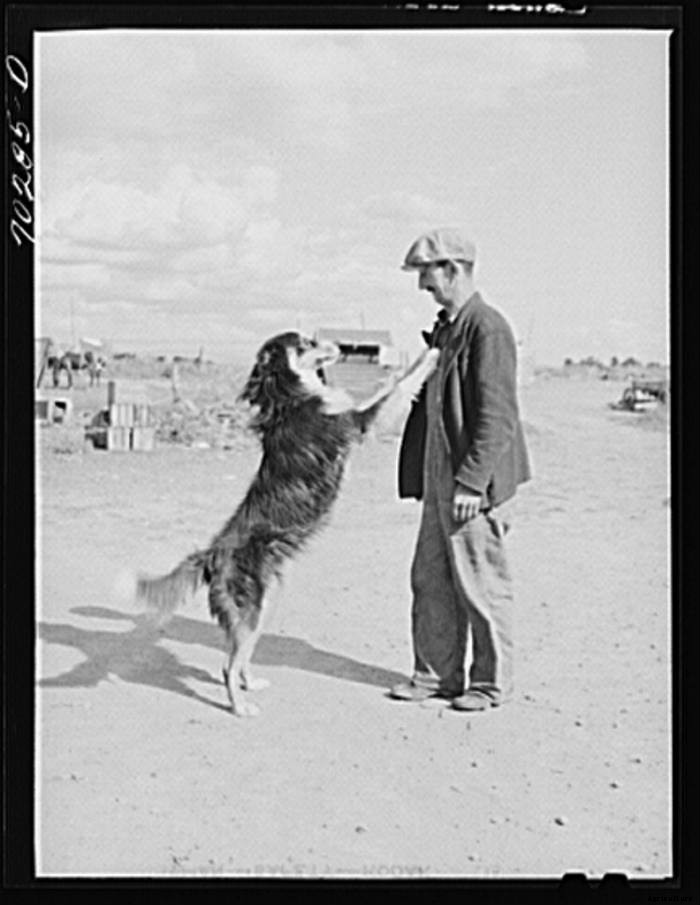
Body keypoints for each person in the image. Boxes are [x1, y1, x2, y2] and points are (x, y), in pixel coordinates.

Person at [390, 227, 531, 711]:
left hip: (468, 483)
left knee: (480, 583)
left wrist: (472, 480)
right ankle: (434, 677)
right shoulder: (450, 327)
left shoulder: (487, 327)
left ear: (452, 269)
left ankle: (490, 684)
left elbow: (498, 415)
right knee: (431, 578)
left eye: (427, 276)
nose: (422, 287)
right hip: (438, 479)